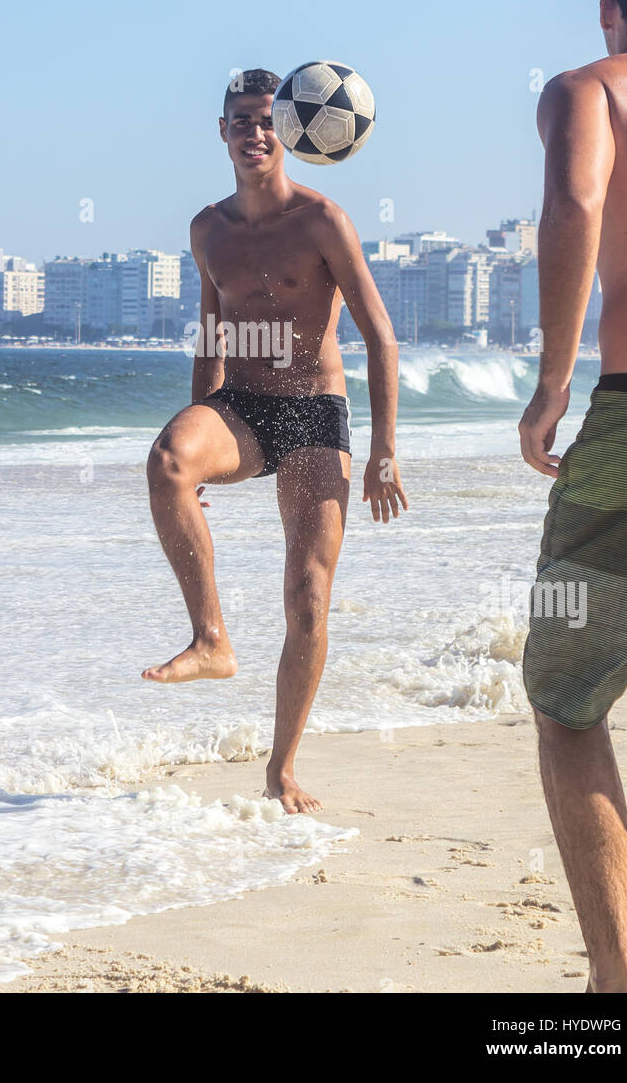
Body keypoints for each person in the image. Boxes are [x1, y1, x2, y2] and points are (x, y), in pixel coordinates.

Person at [144, 67, 407, 814]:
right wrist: (199, 437)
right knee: (166, 460)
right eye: (240, 121)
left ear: (289, 131)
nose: (253, 133)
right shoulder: (207, 229)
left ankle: (281, 767)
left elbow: (381, 338)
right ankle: (211, 640)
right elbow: (210, 335)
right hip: (243, 406)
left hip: (313, 413)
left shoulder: (322, 219)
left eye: (266, 121)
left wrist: (384, 447)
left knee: (308, 600)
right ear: (222, 133)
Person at [519, 0, 627, 992]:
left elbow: (574, 204)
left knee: (567, 696)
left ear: (608, 9)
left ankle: (615, 990)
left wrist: (551, 381)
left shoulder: (590, 88)